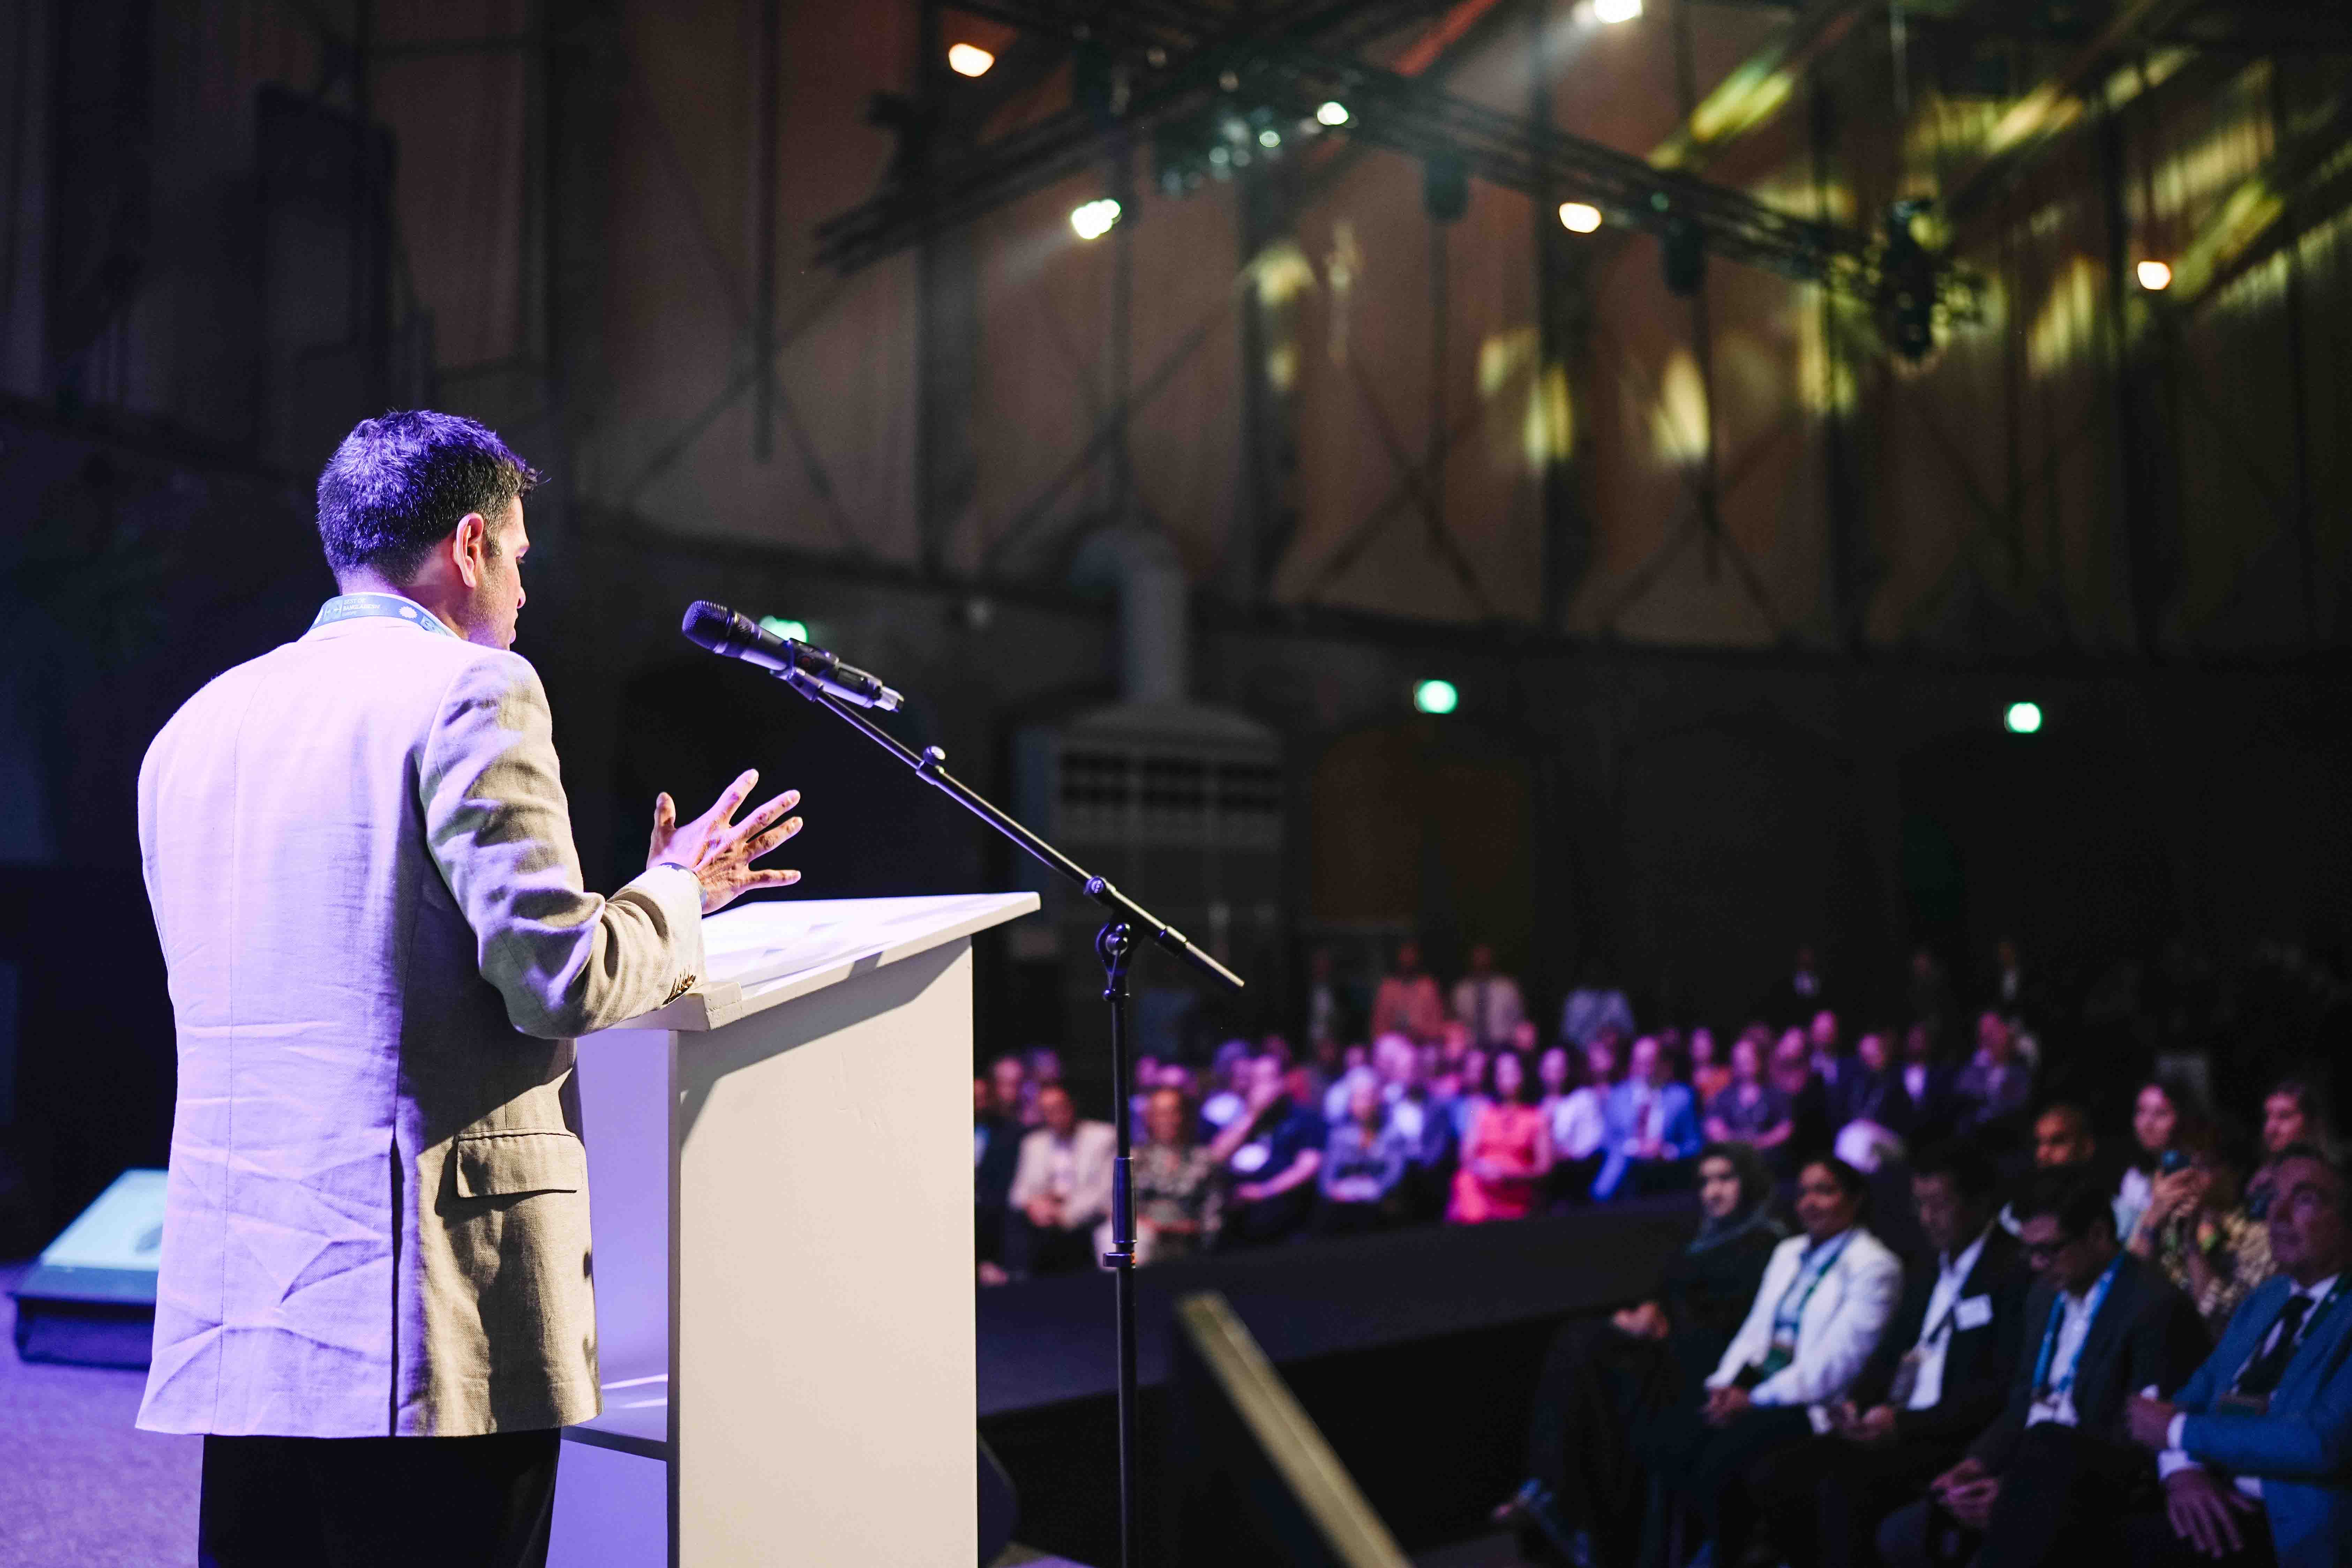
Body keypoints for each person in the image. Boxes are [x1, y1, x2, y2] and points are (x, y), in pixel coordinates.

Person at [136, 412, 804, 1568]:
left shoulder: (200, 723)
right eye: (522, 556)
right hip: (421, 1302)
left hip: (244, 1300)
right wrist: (677, 891)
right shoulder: (473, 690)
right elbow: (560, 981)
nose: (525, 593)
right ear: (470, 545)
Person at [1878, 1172, 2211, 1568]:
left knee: (2046, 1451)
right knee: (1902, 1534)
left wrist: (2016, 1489)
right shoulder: (2043, 1296)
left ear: (2098, 1235)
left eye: (2049, 1250)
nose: (2037, 1264)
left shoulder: (2152, 1305)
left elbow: (2142, 1437)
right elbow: (2024, 1401)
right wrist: (1976, 1465)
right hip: (2031, 1468)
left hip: (2100, 1480)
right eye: (2029, 1252)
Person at [1493, 1144, 1786, 1567]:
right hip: (1668, 1346)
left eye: (1725, 1179)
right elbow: (1669, 1289)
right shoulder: (1703, 1239)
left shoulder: (1768, 1242)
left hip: (1711, 1360)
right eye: (1705, 1181)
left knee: (1584, 1346)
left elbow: (1745, 1317)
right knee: (1578, 1343)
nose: (1713, 1191)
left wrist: (1668, 1322)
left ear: (1750, 1182)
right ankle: (1550, 1496)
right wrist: (1647, 1312)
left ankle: (1551, 1498)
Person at [1749, 1142, 2033, 1568]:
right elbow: (1891, 1351)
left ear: (1978, 1203)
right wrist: (1856, 1403)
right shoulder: (1928, 1264)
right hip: (1896, 1424)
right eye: (1920, 1204)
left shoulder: (2013, 1270)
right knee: (1776, 1473)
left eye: (1940, 1204)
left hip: (1950, 1434)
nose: (1927, 1217)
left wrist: (1903, 1424)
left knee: (1844, 1488)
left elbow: (1998, 1388)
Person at [1666, 1156, 1905, 1566]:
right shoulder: (1788, 1251)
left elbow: (1837, 1364)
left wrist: (1752, 1399)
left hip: (1810, 1401)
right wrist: (1723, 1383)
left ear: (1855, 1199)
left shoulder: (1875, 1265)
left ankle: (1726, 1555)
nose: (1809, 1202)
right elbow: (1755, 1328)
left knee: (1719, 1464)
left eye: (1824, 1191)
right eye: (1804, 1191)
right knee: (1677, 1440)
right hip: (1761, 1380)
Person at [2120, 1146, 2352, 1566]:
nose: (2277, 1216)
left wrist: (2178, 1433)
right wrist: (2183, 1471)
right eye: (2272, 1197)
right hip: (2215, 1494)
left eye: (2304, 1200)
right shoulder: (2268, 1296)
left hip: (2287, 1527)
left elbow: (2320, 1442)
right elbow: (2188, 1399)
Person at [2127, 1124, 2274, 1337]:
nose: (2188, 1177)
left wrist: (2191, 1244)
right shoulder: (2159, 1221)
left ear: (2235, 1172)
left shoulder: (2259, 1236)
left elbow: (2220, 1320)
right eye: (2185, 1164)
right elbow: (2124, 1291)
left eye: (2203, 1166)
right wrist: (2152, 1220)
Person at [1210, 1057, 1326, 1247]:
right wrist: (1252, 1115)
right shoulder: (1240, 1119)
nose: (1264, 1087)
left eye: (1270, 1079)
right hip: (1237, 1216)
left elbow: (1308, 1167)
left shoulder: (1305, 1118)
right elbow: (1215, 1156)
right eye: (1257, 1081)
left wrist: (1264, 1191)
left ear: (1283, 1082)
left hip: (1285, 1213)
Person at [1005, 1084, 1116, 1277]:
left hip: (1085, 1217)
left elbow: (1105, 1193)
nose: (1055, 1115)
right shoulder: (1033, 1143)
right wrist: (1034, 1206)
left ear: (1073, 1105)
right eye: (1047, 1110)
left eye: (1059, 1107)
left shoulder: (1104, 1137)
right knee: (1016, 1227)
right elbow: (1018, 1194)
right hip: (1044, 1218)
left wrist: (1064, 1214)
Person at [1450, 1049, 1553, 1224]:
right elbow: (1466, 1157)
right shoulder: (1482, 1112)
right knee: (1464, 1180)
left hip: (1516, 1187)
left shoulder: (1537, 1117)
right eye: (1502, 1073)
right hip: (1483, 1184)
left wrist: (1509, 1176)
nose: (1507, 1078)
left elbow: (1544, 1168)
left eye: (1513, 1072)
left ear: (1523, 1075)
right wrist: (1483, 1170)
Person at [1594, 1035, 1702, 1200]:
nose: (1644, 1068)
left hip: (1667, 1174)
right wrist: (1635, 1147)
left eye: (1650, 1061)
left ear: (1663, 1064)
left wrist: (1667, 1151)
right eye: (1639, 1062)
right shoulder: (1617, 1096)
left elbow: (1695, 1144)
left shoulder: (1681, 1097)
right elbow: (1607, 1141)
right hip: (1626, 1176)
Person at [1129, 1086, 1220, 1265]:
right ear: (1149, 1119)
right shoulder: (1134, 1160)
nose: (1168, 1120)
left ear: (1186, 1116)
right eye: (1161, 1114)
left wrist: (1173, 1230)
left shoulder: (1205, 1161)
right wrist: (1148, 1228)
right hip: (1142, 1246)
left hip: (1191, 1250)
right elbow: (1117, 1211)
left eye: (1175, 1112)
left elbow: (1214, 1219)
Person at [2120, 1079, 2205, 1246]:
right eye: (2141, 1112)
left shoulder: (2202, 1171)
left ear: (2183, 1117)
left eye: (2160, 1114)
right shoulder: (2135, 1176)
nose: (2147, 1124)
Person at [1320, 1077, 1409, 1233]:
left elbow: (1396, 1174)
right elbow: (1327, 1178)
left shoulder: (1393, 1134)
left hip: (1380, 1203)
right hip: (1343, 1205)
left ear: (1379, 1100)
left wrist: (1374, 1190)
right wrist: (1336, 1191)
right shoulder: (1338, 1136)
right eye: (1360, 1098)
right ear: (1351, 1104)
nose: (1366, 1104)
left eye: (1370, 1097)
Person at [1704, 1034, 1793, 1153]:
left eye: (1748, 1059)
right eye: (1740, 1060)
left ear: (1759, 1060)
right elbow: (1713, 1128)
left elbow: (1785, 1128)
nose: (1744, 1064)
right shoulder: (1724, 1096)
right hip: (1734, 1155)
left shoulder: (1776, 1094)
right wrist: (1738, 1145)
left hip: (1767, 1155)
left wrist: (1760, 1143)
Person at [1546, 1043, 1609, 1209]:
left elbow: (1593, 1140)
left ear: (1568, 1069)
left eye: (1559, 1068)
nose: (1554, 1073)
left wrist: (1572, 1153)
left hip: (1576, 1173)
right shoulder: (1538, 1103)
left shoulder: (1584, 1098)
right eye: (1549, 1068)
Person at [975, 1075, 1024, 1284]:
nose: (980, 1104)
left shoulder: (1010, 1133)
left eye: (984, 1097)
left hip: (994, 1212)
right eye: (975, 1098)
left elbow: (1006, 1185)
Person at [1954, 1011, 2033, 1136]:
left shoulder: (2020, 1073)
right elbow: (1962, 1092)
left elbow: (2017, 1106)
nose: (1994, 1043)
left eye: (2000, 1039)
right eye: (1992, 1040)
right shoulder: (1976, 1067)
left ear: (2011, 1044)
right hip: (1972, 1133)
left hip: (2004, 1132)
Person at [1836, 1029, 1916, 1140]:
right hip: (1857, 1134)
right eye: (1866, 1058)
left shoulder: (1896, 1079)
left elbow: (1904, 1121)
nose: (1871, 1062)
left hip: (1890, 1137)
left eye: (1875, 1054)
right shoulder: (1855, 1082)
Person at [1452, 943, 1527, 1051]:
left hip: (1504, 1045)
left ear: (1492, 959)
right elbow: (1457, 1022)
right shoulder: (1461, 990)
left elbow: (1519, 1020)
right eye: (1478, 957)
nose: (1481, 962)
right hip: (1470, 1046)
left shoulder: (1508, 987)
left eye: (1485, 957)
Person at [1370, 939, 1447, 1043]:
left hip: (1423, 1043)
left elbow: (1438, 1024)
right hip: (1393, 1043)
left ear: (1417, 958)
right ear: (1398, 958)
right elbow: (1378, 1025)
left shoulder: (1428, 987)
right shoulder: (1388, 988)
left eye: (1411, 955)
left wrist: (1420, 1033)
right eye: (1404, 955)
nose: (1408, 960)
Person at [1561, 964, 1636, 1048]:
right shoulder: (1576, 999)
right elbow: (1568, 1035)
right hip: (1580, 1050)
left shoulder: (1616, 998)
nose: (1595, 973)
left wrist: (1614, 1034)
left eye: (1599, 970)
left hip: (1611, 1049)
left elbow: (1629, 1032)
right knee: (1555, 1054)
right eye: (1592, 970)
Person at [1689, 1028, 1732, 1106]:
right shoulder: (1684, 1079)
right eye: (1697, 1047)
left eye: (1703, 1047)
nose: (1700, 1048)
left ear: (1713, 1047)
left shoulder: (1725, 1076)